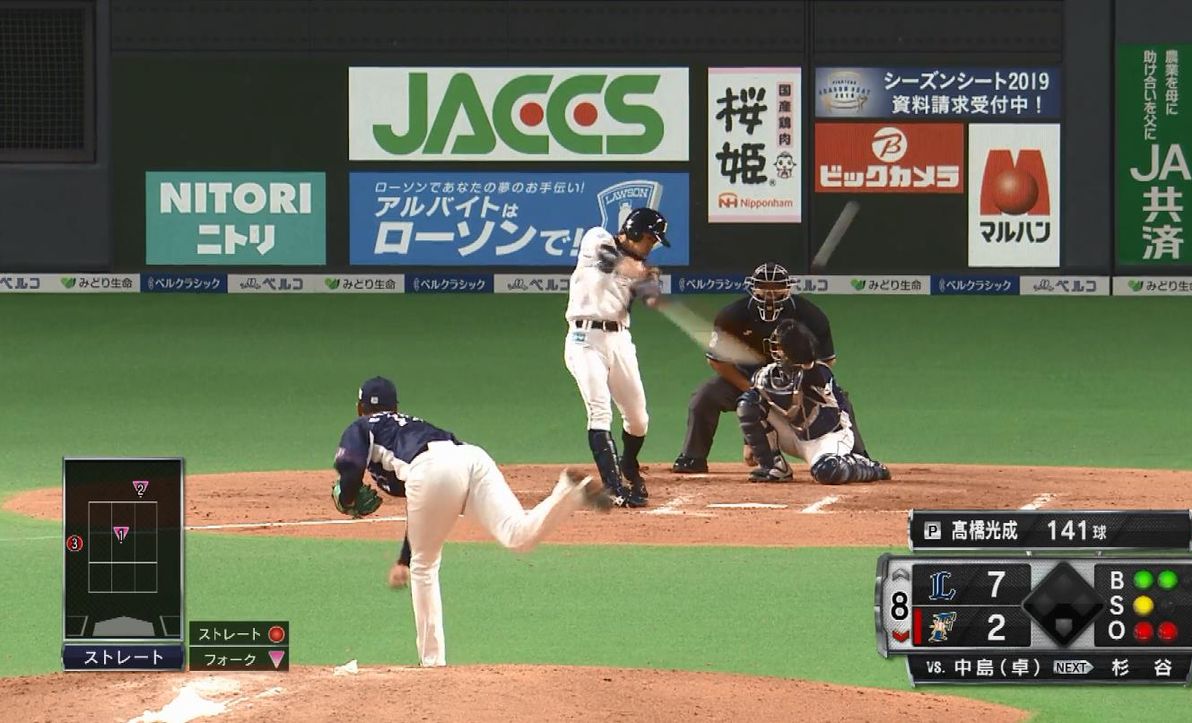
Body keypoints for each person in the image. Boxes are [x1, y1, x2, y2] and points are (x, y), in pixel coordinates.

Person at [331, 376, 610, 667]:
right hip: (470, 458)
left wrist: (347, 499)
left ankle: (432, 662)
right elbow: (423, 504)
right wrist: (403, 559)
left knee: (424, 567)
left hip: (431, 470)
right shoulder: (411, 425)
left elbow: (351, 471)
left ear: (359, 408)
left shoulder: (361, 426)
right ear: (396, 407)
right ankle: (570, 490)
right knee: (517, 534)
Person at [671, 262, 872, 475]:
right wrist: (752, 389)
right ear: (753, 287)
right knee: (705, 397)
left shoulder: (810, 315)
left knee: (840, 401)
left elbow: (825, 362)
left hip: (796, 381)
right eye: (764, 286)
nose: (770, 292)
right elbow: (717, 361)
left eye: (776, 286)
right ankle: (693, 457)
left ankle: (858, 455)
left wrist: (798, 387)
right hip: (745, 379)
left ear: (788, 287)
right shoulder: (733, 315)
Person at [563, 206, 667, 507]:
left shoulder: (641, 268)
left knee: (638, 420)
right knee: (600, 411)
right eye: (650, 238)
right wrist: (640, 273)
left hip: (620, 340)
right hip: (585, 340)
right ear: (634, 232)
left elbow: (648, 295)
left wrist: (650, 289)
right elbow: (611, 261)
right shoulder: (597, 238)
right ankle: (613, 488)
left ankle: (628, 465)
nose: (652, 245)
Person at [737, 320, 891, 484]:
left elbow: (810, 374)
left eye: (783, 347)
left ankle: (870, 467)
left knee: (827, 471)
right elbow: (753, 406)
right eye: (778, 347)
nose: (779, 352)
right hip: (794, 435)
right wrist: (750, 442)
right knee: (748, 403)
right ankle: (774, 467)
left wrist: (806, 358)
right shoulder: (765, 375)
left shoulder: (819, 372)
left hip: (829, 437)